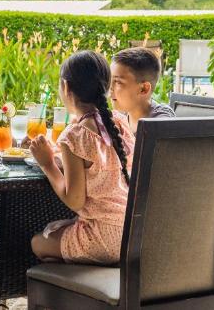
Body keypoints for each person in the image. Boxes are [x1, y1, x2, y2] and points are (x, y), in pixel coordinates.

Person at [29, 50, 135, 265]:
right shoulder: (120, 122)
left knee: (37, 243)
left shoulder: (75, 136)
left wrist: (47, 163)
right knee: (57, 239)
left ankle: (75, 285)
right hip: (131, 235)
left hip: (103, 238)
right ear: (106, 86)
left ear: (66, 87)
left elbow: (75, 200)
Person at [110, 47, 175, 133]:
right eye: (109, 80)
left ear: (143, 89)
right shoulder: (120, 118)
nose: (109, 87)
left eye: (118, 82)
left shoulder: (161, 122)